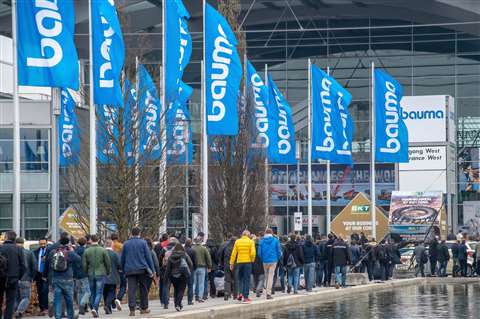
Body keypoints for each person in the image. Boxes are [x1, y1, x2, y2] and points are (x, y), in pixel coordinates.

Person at [121, 227, 155, 317]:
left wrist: (123, 269)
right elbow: (148, 257)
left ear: (131, 233)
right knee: (143, 288)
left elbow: (123, 258)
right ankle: (143, 308)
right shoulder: (143, 243)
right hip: (142, 269)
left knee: (131, 290)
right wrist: (152, 270)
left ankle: (132, 309)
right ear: (139, 233)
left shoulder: (126, 244)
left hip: (130, 270)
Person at [45, 234, 81, 319]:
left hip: (56, 278)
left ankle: (57, 316)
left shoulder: (53, 252)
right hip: (67, 279)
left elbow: (48, 263)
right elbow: (79, 259)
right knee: (69, 299)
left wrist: (45, 275)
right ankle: (70, 316)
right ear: (68, 243)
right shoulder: (69, 252)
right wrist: (72, 250)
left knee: (57, 299)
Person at [83, 234, 111, 317]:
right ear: (98, 240)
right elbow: (108, 263)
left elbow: (84, 264)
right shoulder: (103, 250)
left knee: (92, 292)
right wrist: (108, 271)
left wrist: (86, 272)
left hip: (91, 273)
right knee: (99, 292)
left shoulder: (87, 251)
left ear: (90, 240)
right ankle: (95, 308)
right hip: (101, 273)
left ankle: (93, 308)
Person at [0, 231, 25, 319]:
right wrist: (18, 277)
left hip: (1, 277)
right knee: (10, 301)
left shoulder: (1, 248)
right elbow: (23, 266)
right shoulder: (18, 249)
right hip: (13, 278)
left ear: (6, 237)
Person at [165, 243, 193, 311]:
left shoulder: (171, 256)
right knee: (181, 290)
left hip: (173, 276)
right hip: (183, 275)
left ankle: (176, 305)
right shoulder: (184, 255)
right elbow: (191, 264)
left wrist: (166, 277)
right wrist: (188, 272)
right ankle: (178, 304)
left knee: (176, 290)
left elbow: (168, 268)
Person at [229, 230, 256, 302]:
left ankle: (240, 293)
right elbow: (253, 253)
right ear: (248, 235)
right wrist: (252, 260)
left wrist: (231, 263)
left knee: (240, 279)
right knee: (246, 280)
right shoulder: (251, 242)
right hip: (247, 262)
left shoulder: (237, 241)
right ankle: (245, 297)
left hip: (239, 262)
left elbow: (234, 253)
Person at [14, 237, 36, 319]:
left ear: (15, 243)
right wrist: (32, 277)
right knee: (26, 297)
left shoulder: (13, 252)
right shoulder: (29, 253)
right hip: (26, 278)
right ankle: (19, 311)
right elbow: (34, 266)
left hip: (15, 279)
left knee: (16, 297)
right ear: (23, 243)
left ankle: (15, 313)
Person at [258, 229, 281, 299]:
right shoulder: (275, 240)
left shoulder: (261, 241)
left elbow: (259, 253)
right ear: (272, 233)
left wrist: (263, 259)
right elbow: (279, 251)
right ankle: (268, 293)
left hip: (265, 261)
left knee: (266, 275)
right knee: (271, 276)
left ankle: (265, 291)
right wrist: (277, 258)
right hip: (273, 260)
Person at [103, 239, 122, 315]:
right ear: (111, 245)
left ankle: (107, 307)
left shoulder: (102, 253)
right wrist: (120, 269)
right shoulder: (115, 254)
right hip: (113, 276)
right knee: (112, 292)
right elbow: (119, 265)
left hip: (103, 276)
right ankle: (107, 305)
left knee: (105, 292)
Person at [74, 237, 91, 315]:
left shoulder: (75, 251)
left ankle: (81, 307)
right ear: (85, 243)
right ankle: (82, 304)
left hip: (76, 274)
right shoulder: (86, 251)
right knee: (87, 291)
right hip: (84, 273)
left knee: (80, 291)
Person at [192, 237, 212, 303]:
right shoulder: (204, 249)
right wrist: (209, 266)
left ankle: (192, 297)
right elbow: (208, 258)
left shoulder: (192, 248)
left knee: (194, 283)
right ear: (201, 241)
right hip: (202, 267)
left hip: (194, 268)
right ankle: (200, 297)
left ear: (195, 241)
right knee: (201, 283)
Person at [33, 238, 49, 316]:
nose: (42, 245)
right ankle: (42, 308)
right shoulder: (36, 252)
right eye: (41, 244)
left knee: (45, 291)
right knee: (39, 292)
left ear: (47, 243)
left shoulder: (49, 251)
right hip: (38, 274)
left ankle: (46, 308)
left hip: (46, 274)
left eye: (44, 244)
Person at [184, 239, 197, 305]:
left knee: (182, 286)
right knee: (190, 285)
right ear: (190, 243)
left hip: (182, 270)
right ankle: (189, 300)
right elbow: (195, 262)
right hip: (190, 270)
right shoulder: (193, 251)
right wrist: (194, 268)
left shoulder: (182, 250)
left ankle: (179, 300)